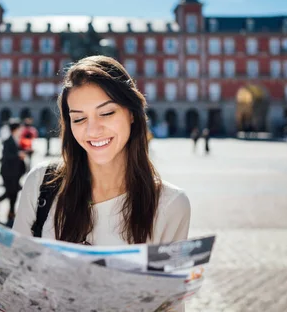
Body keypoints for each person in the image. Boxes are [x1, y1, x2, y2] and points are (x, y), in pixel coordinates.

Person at [13, 55, 191, 246]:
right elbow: (11, 267)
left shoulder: (171, 204)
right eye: (79, 119)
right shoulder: (41, 183)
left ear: (132, 113)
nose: (93, 131)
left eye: (106, 113)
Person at [0, 119, 26, 227]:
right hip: (8, 172)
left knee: (14, 192)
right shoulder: (8, 141)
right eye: (20, 128)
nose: (21, 130)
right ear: (15, 129)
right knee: (10, 192)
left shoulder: (16, 139)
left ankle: (11, 214)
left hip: (16, 172)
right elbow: (6, 156)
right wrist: (18, 155)